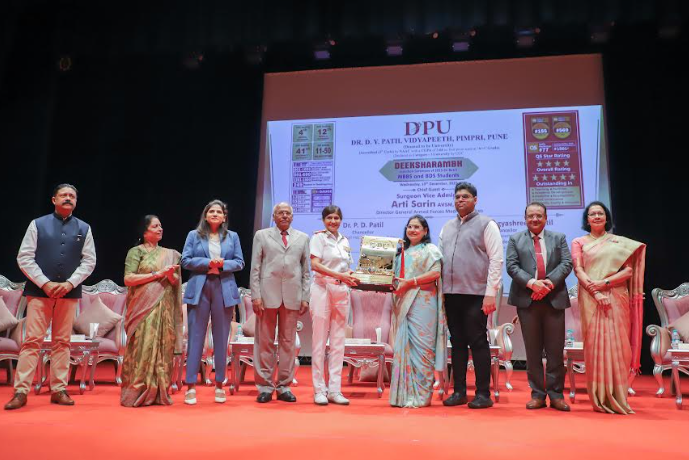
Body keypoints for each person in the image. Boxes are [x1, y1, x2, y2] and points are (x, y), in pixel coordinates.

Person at [5, 184, 96, 410]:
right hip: (39, 291)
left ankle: (59, 390)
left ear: (76, 201)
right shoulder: (37, 224)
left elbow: (89, 261)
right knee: (32, 341)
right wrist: (44, 283)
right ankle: (21, 391)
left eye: (72, 196)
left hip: (69, 292)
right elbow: (24, 257)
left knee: (62, 342)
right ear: (54, 199)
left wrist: (69, 283)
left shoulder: (84, 228)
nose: (68, 198)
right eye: (63, 195)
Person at [571, 201, 646, 415]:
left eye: (600, 213)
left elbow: (628, 271)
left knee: (618, 345)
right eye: (592, 214)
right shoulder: (579, 242)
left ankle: (619, 396)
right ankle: (600, 397)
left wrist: (603, 284)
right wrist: (595, 291)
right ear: (587, 219)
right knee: (595, 345)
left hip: (616, 297)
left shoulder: (619, 243)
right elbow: (578, 270)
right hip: (591, 297)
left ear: (606, 218)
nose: (596, 216)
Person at [438, 182, 503, 409]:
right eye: (457, 197)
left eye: (465, 196)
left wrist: (490, 293)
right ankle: (459, 392)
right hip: (451, 294)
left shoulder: (487, 224)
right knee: (456, 343)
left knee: (477, 342)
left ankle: (483, 394)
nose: (460, 200)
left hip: (476, 294)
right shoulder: (447, 227)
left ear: (475, 199)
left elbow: (496, 260)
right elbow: (439, 261)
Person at [505, 202, 572, 411]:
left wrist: (548, 284)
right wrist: (533, 283)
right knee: (533, 351)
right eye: (530, 216)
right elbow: (511, 266)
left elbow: (566, 263)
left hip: (554, 299)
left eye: (539, 216)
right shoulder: (515, 239)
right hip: (527, 300)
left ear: (545, 218)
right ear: (525, 218)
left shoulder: (558, 238)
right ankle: (537, 395)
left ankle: (556, 395)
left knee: (555, 351)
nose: (535, 219)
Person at [181, 200, 244, 405]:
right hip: (200, 287)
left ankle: (219, 384)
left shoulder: (232, 236)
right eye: (211, 211)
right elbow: (185, 260)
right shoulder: (194, 235)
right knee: (196, 337)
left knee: (221, 337)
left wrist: (223, 264)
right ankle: (191, 386)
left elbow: (240, 262)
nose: (215, 214)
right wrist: (207, 263)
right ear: (206, 215)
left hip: (223, 288)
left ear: (224, 217)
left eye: (219, 212)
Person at [250, 202, 310, 403]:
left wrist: (305, 297)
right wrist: (256, 295)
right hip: (267, 295)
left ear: (292, 217)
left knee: (288, 343)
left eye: (287, 213)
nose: (284, 216)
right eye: (280, 213)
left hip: (292, 296)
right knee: (264, 342)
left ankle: (284, 386)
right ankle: (265, 387)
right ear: (274, 216)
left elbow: (306, 271)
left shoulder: (303, 237)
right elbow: (255, 267)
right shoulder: (262, 235)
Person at [120, 215, 182, 407]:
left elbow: (175, 283)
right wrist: (157, 274)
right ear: (145, 231)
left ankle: (159, 390)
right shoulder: (136, 252)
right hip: (142, 308)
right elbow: (128, 279)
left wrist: (170, 276)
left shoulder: (170, 254)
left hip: (164, 307)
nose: (160, 229)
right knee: (142, 346)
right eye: (155, 226)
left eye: (160, 226)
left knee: (163, 347)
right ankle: (137, 390)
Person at [389, 215, 446, 408]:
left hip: (423, 303)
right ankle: (403, 395)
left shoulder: (431, 250)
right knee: (405, 347)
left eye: (417, 227)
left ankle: (421, 396)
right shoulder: (400, 254)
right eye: (409, 227)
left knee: (423, 350)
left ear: (425, 231)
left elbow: (435, 273)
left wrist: (411, 282)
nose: (412, 230)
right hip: (403, 303)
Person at [309, 205, 358, 406]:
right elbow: (315, 264)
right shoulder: (318, 238)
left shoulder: (344, 240)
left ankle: (335, 390)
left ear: (341, 220)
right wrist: (339, 275)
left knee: (338, 342)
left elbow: (346, 267)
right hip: (322, 288)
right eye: (329, 218)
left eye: (336, 218)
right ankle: (319, 389)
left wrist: (354, 275)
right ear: (323, 220)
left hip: (341, 290)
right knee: (319, 342)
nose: (333, 221)